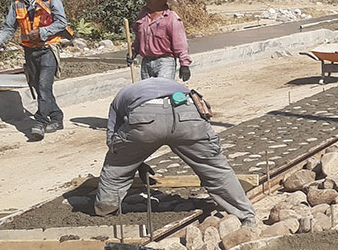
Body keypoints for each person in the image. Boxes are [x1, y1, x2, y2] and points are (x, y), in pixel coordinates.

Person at [93, 78, 256, 225]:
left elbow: (114, 141)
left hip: (144, 117)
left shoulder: (121, 98)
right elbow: (205, 112)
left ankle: (106, 210)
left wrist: (133, 161)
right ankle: (245, 215)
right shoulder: (178, 87)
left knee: (117, 169)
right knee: (215, 169)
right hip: (187, 114)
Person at [0, 0, 71, 139]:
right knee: (39, 87)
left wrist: (42, 32)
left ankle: (40, 122)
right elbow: (9, 26)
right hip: (30, 51)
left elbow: (61, 23)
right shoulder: (17, 4)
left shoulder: (52, 0)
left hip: (48, 50)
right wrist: (2, 42)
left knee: (45, 87)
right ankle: (57, 117)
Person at [131, 0, 191, 81]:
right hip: (146, 62)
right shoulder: (143, 15)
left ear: (162, 0)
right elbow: (139, 37)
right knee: (148, 94)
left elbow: (181, 44)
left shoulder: (171, 19)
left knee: (162, 91)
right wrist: (133, 51)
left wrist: (184, 64)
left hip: (165, 62)